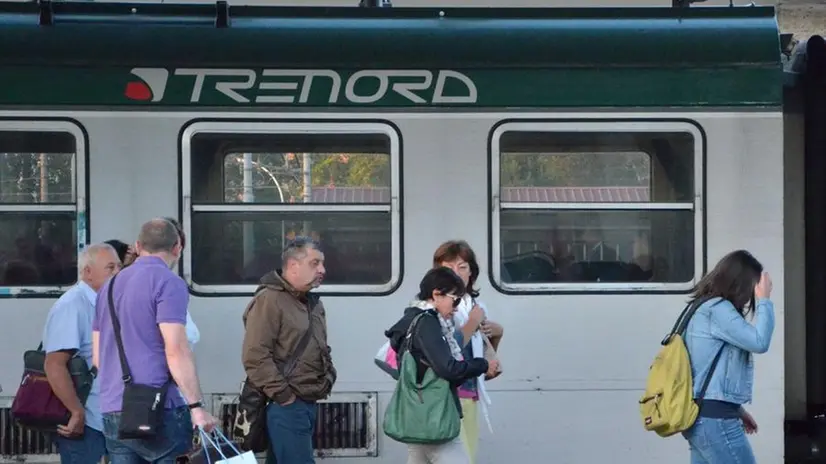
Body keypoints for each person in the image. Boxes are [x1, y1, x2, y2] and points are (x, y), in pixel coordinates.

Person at [93, 218, 218, 464]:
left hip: (113, 408)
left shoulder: (108, 287)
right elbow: (176, 349)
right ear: (177, 248)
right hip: (161, 408)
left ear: (138, 246)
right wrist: (196, 407)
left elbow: (97, 358)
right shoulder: (169, 283)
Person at [384, 267, 499, 464]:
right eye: (455, 299)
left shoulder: (410, 320)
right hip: (433, 414)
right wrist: (481, 364)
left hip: (418, 413)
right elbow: (448, 368)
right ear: (436, 295)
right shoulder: (428, 323)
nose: (456, 307)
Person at [241, 236, 337, 464]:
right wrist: (285, 397)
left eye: (322, 263)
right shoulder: (270, 300)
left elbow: (320, 347)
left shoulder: (313, 303)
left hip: (306, 401)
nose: (322, 269)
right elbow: (255, 356)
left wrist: (329, 375)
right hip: (285, 405)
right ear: (293, 265)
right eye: (315, 263)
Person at [681, 250, 775, 464]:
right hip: (715, 420)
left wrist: (737, 410)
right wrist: (764, 301)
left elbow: (707, 369)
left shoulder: (703, 307)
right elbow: (760, 342)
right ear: (741, 284)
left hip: (704, 417)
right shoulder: (717, 309)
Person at [42, 243, 121, 464]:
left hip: (104, 414)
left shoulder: (103, 302)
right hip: (85, 419)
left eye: (119, 267)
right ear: (88, 272)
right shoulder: (72, 305)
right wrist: (76, 412)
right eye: (110, 267)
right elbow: (54, 364)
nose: (117, 272)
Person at [432, 240, 504, 464]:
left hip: (469, 395)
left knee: (467, 458)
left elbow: (486, 365)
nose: (456, 273)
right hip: (443, 398)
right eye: (449, 267)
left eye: (462, 267)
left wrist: (496, 334)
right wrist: (473, 323)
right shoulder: (431, 305)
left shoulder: (474, 305)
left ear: (471, 272)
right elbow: (444, 351)